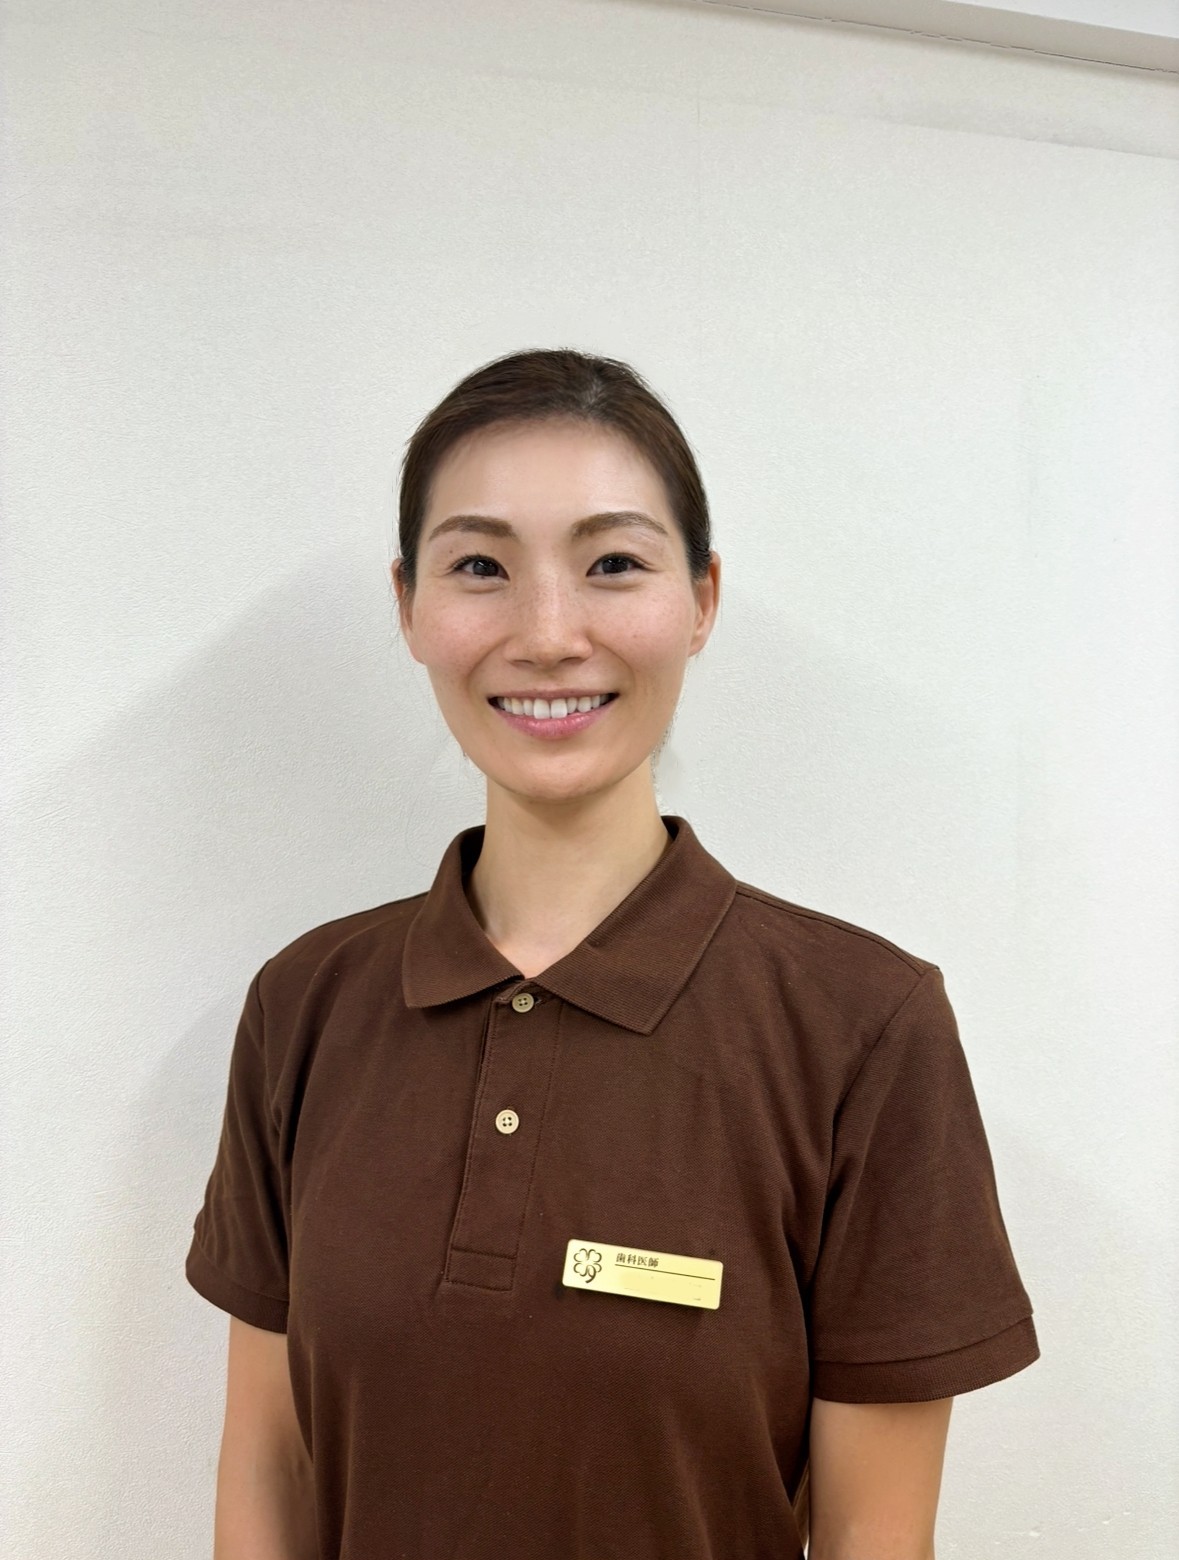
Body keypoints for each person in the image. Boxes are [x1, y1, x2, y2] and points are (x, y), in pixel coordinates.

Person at [185, 347, 1039, 1560]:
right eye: (481, 566)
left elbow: (874, 1536)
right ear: (409, 606)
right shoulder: (307, 1007)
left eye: (613, 565)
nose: (548, 635)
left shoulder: (864, 1026)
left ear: (702, 599)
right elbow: (269, 1468)